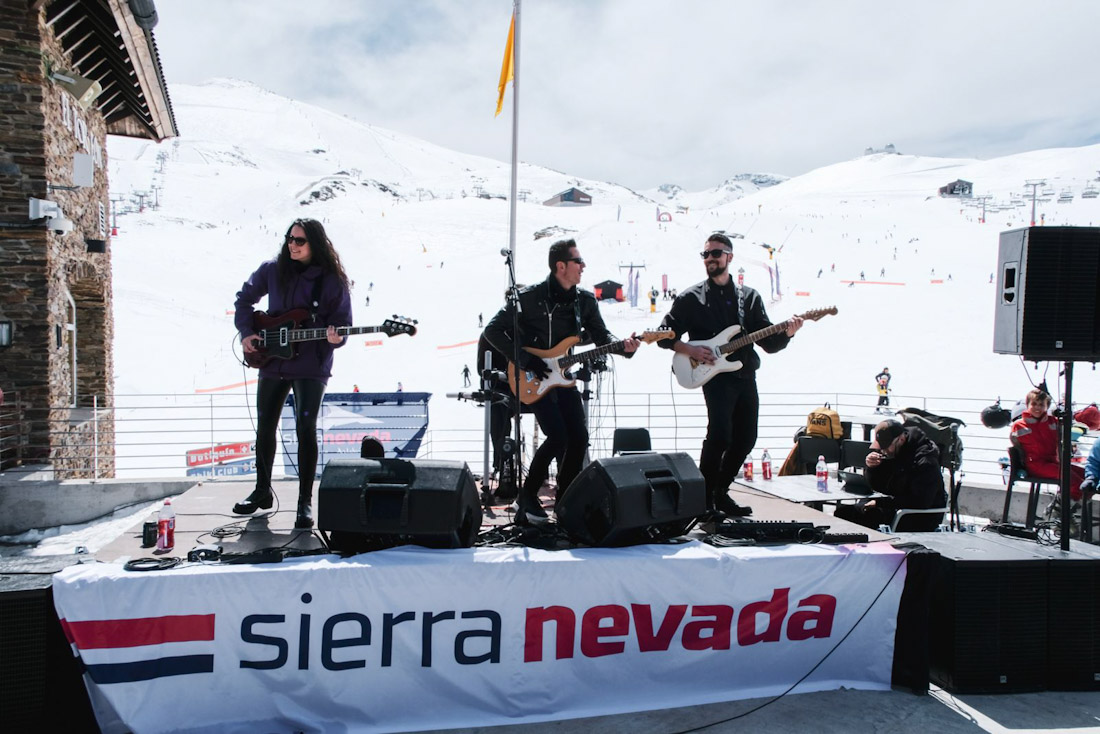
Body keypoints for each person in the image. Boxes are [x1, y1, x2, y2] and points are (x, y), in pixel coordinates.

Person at [485, 238, 639, 524]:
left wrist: (623, 346)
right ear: (561, 266)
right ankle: (527, 494)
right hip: (533, 376)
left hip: (563, 376)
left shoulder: (585, 301)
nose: (583, 267)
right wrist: (525, 359)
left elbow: (602, 336)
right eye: (578, 261)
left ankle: (566, 499)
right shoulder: (528, 298)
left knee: (579, 437)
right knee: (558, 436)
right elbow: (492, 331)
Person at [658, 233, 803, 516]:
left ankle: (719, 492)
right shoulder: (691, 298)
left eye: (716, 253)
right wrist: (690, 350)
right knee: (720, 435)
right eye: (706, 254)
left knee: (747, 438)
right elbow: (665, 336)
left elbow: (769, 343)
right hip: (714, 376)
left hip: (745, 373)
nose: (710, 258)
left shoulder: (748, 298)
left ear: (729, 258)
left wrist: (788, 333)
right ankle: (702, 500)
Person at [232, 218, 352, 529]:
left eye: (300, 241)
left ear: (315, 244)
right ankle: (262, 492)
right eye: (290, 239)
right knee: (265, 428)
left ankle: (304, 502)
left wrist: (337, 337)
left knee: (304, 428)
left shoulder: (332, 280)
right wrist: (247, 332)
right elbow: (244, 300)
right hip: (272, 361)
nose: (293, 245)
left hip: (311, 365)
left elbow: (342, 324)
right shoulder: (272, 270)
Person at [834, 419, 946, 531]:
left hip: (918, 516)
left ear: (901, 439)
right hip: (896, 507)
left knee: (853, 518)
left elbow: (920, 501)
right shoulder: (893, 452)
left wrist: (880, 503)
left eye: (886, 446)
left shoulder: (925, 461)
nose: (883, 451)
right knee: (844, 513)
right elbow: (878, 487)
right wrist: (872, 468)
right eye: (881, 447)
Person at [1010, 389, 1085, 500]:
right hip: (1036, 465)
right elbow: (1017, 446)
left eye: (1041, 405)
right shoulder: (1020, 425)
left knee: (1087, 476)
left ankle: (1073, 505)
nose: (1037, 408)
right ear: (1027, 405)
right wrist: (1021, 467)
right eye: (1034, 404)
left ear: (1047, 406)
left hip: (1053, 463)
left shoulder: (1053, 422)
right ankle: (1061, 509)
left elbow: (1066, 430)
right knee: (1073, 480)